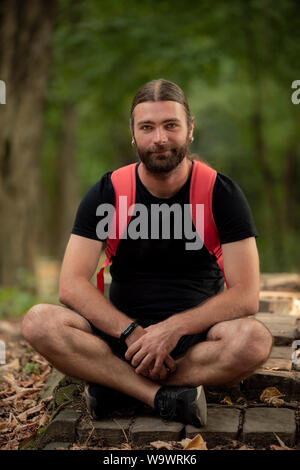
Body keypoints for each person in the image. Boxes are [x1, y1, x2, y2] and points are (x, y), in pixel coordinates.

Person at [22, 79, 273, 428]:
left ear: (190, 130)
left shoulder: (221, 193)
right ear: (133, 133)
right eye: (147, 127)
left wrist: (172, 329)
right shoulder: (108, 192)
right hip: (120, 338)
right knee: (38, 321)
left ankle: (116, 384)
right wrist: (132, 333)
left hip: (196, 340)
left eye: (171, 125)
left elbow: (246, 295)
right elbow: (71, 284)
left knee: (254, 341)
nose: (160, 138)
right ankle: (159, 396)